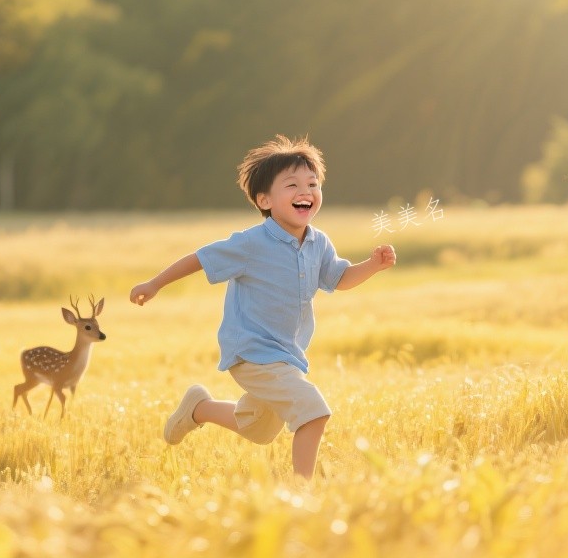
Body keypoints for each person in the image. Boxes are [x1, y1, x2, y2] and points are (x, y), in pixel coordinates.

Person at [129, 134, 397, 480]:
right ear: (264, 199)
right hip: (253, 352)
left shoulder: (319, 242)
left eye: (312, 184)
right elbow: (201, 258)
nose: (306, 191)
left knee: (258, 429)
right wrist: (155, 284)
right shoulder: (251, 243)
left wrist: (372, 266)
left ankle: (200, 408)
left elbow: (339, 278)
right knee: (314, 412)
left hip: (287, 354)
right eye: (292, 184)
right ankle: (303, 493)